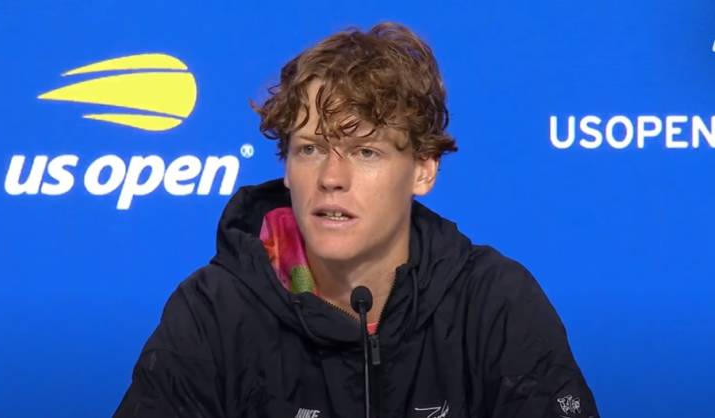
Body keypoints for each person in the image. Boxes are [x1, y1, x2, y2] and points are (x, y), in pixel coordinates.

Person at [114, 22, 599, 418]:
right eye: (310, 149)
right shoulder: (214, 310)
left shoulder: (494, 302)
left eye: (365, 152)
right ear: (286, 168)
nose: (331, 178)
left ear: (423, 169)